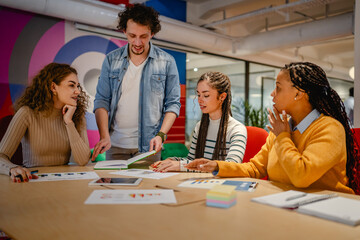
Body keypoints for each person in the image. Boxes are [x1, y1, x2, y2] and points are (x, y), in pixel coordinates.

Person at [187, 62, 360, 195]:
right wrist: (217, 166)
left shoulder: (329, 128)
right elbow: (255, 168)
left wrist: (283, 136)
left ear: (299, 94)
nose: (272, 94)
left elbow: (302, 175)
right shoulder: (281, 128)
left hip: (327, 211)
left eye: (278, 88)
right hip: (287, 203)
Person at [92, 4, 181, 163]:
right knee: (114, 188)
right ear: (124, 31)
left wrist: (161, 135)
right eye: (132, 35)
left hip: (149, 147)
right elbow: (102, 100)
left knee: (146, 188)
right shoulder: (111, 60)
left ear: (152, 33)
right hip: (115, 145)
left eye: (144, 36)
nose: (138, 42)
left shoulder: (167, 62)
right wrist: (104, 136)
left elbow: (173, 104)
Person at [0, 63, 91, 183]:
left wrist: (69, 122)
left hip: (64, 182)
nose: (78, 92)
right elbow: (1, 156)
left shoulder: (77, 115)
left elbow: (83, 160)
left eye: (78, 86)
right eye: (71, 85)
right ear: (53, 87)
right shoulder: (27, 113)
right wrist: (12, 168)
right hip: (34, 181)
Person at [152, 72, 247, 172]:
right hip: (199, 182)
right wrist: (172, 161)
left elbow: (231, 167)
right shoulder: (200, 126)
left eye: (206, 95)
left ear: (222, 97)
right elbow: (192, 161)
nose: (200, 100)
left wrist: (180, 165)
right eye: (198, 95)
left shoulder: (236, 129)